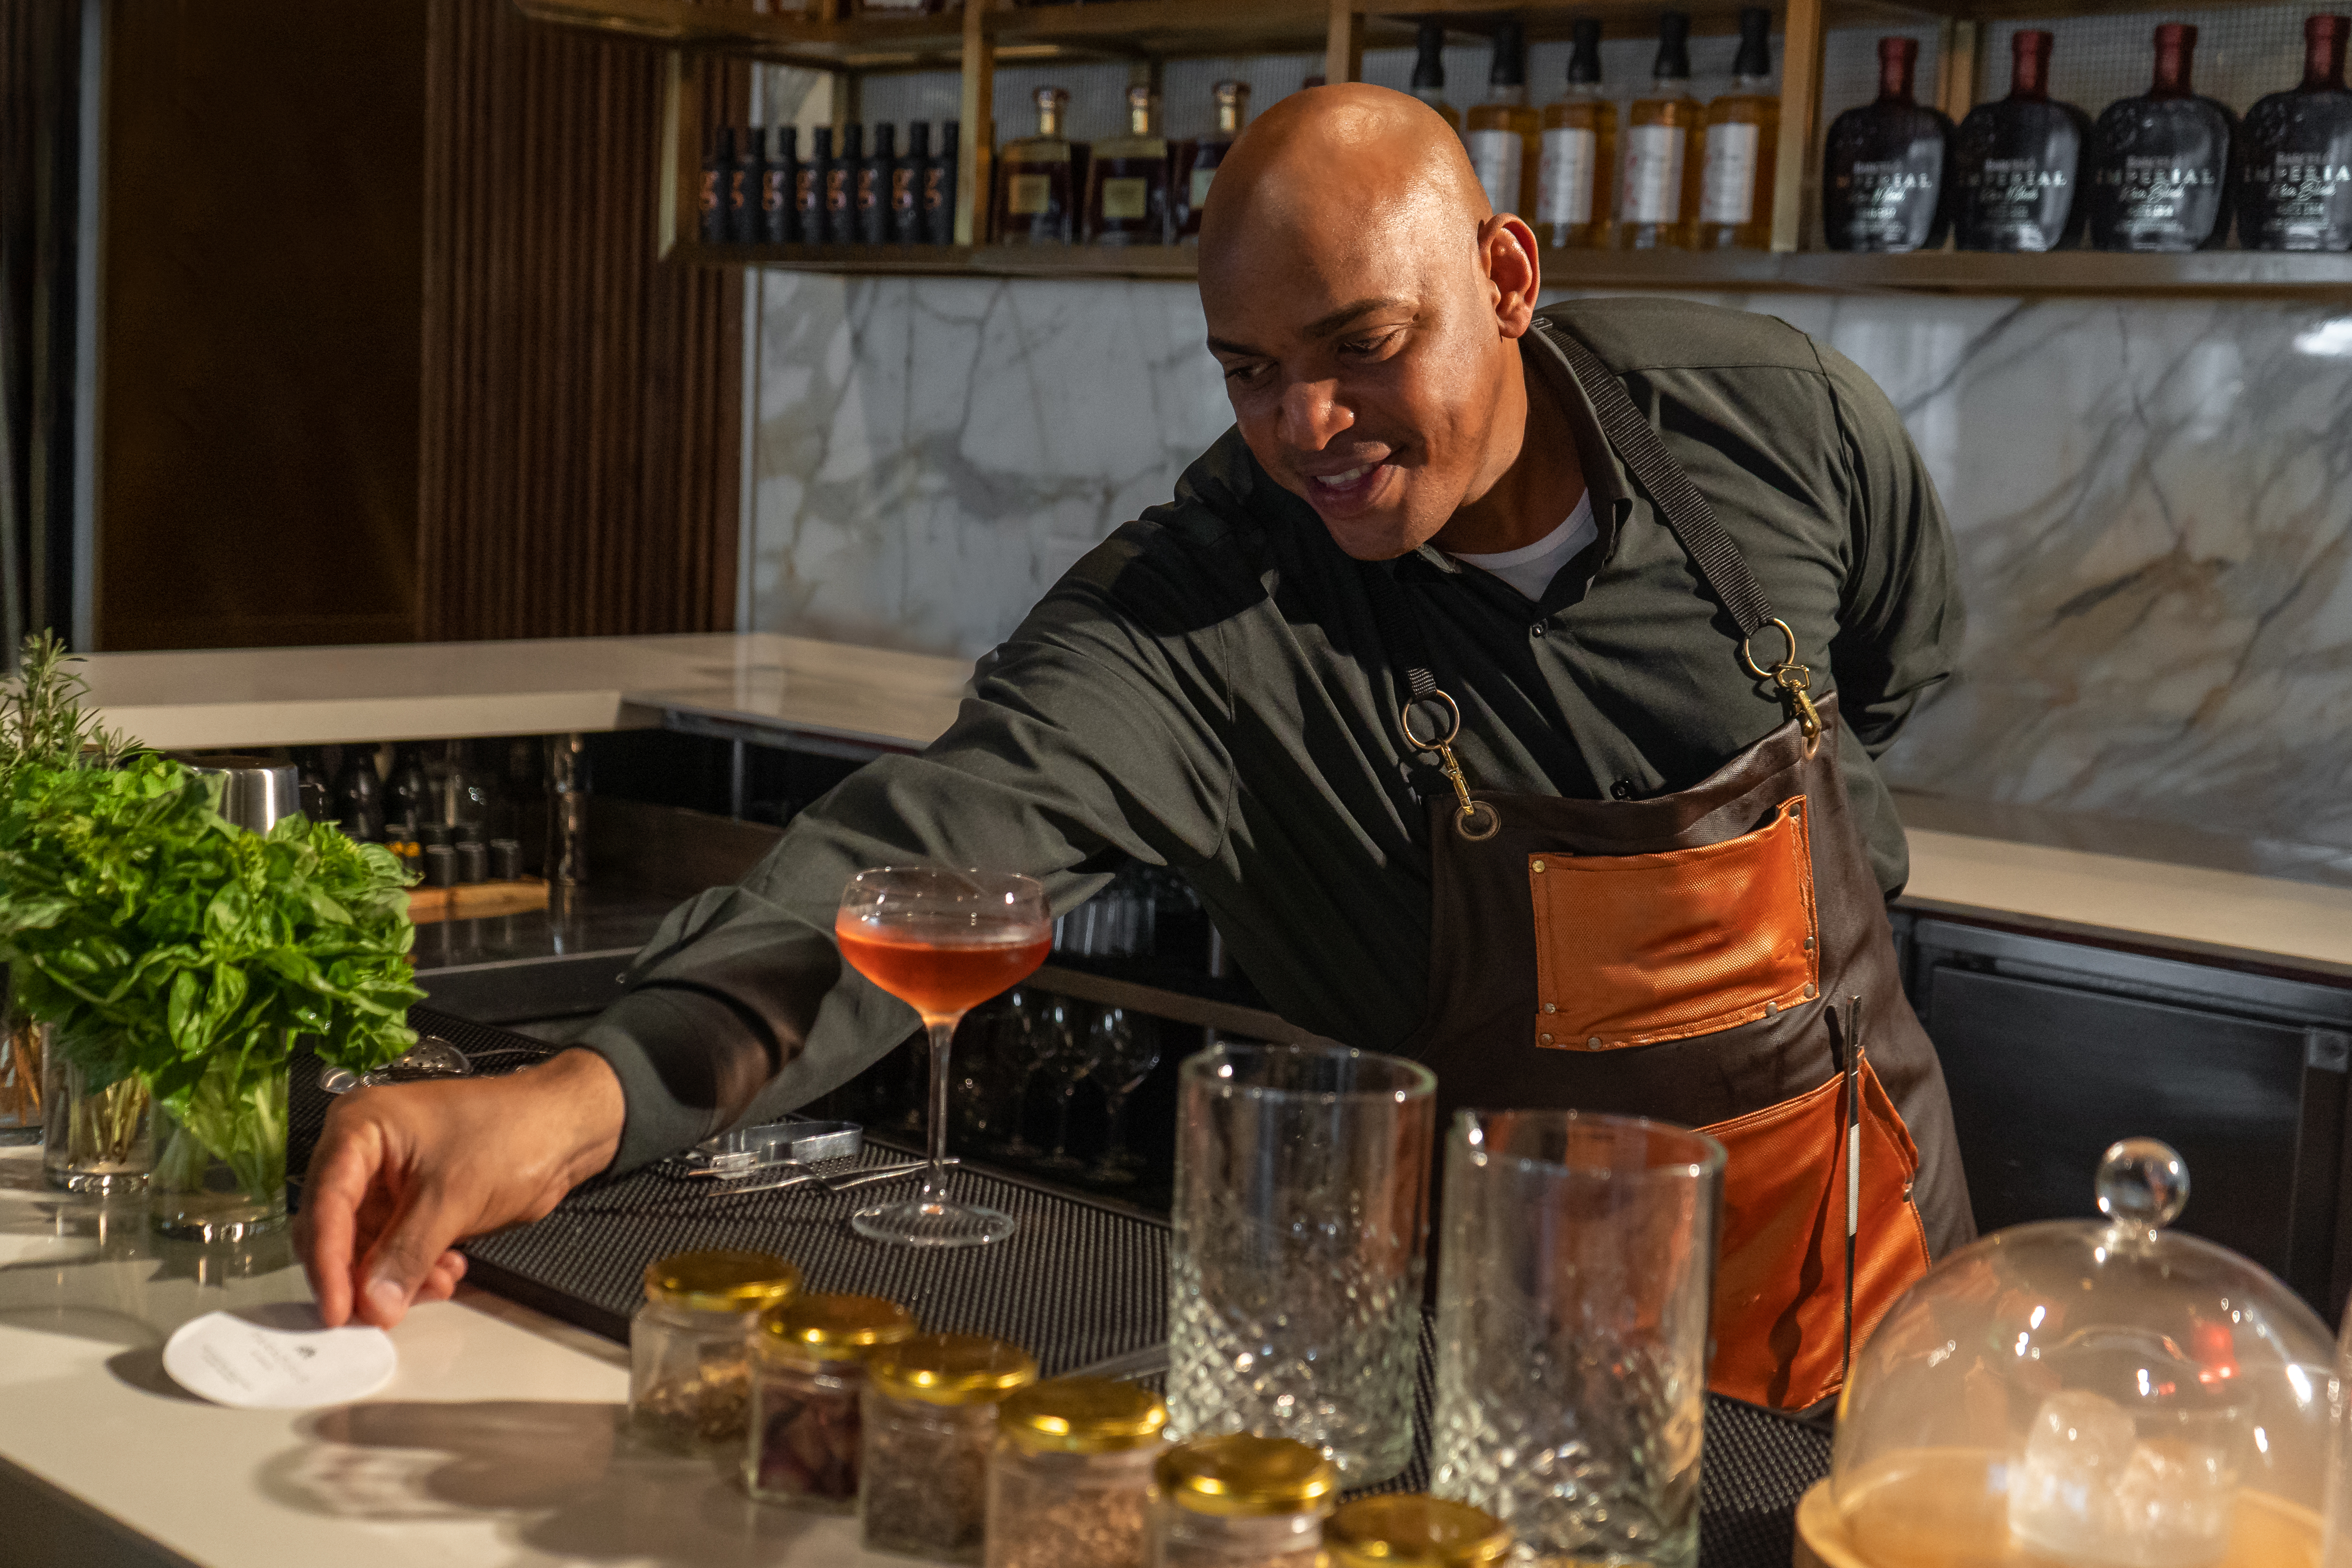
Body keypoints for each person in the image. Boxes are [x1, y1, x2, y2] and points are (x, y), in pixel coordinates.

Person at [299, 83, 1972, 1411]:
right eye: (1252, 373)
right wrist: (572, 1101)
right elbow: (912, 861)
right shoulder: (1201, 621)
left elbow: (1893, 675)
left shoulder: (1774, 421)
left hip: (1879, 1291)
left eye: (1363, 349)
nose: (1308, 429)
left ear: (1507, 279)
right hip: (1507, 1372)